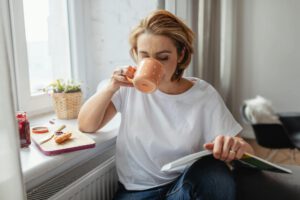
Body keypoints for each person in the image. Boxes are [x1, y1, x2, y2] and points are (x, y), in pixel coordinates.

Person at [78, 10, 254, 200]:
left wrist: (238, 147)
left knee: (214, 171)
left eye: (163, 57)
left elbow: (249, 153)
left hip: (183, 188)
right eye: (144, 56)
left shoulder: (204, 95)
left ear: (181, 55)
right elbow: (87, 125)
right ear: (136, 54)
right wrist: (110, 88)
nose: (153, 64)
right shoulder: (127, 87)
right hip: (136, 193)